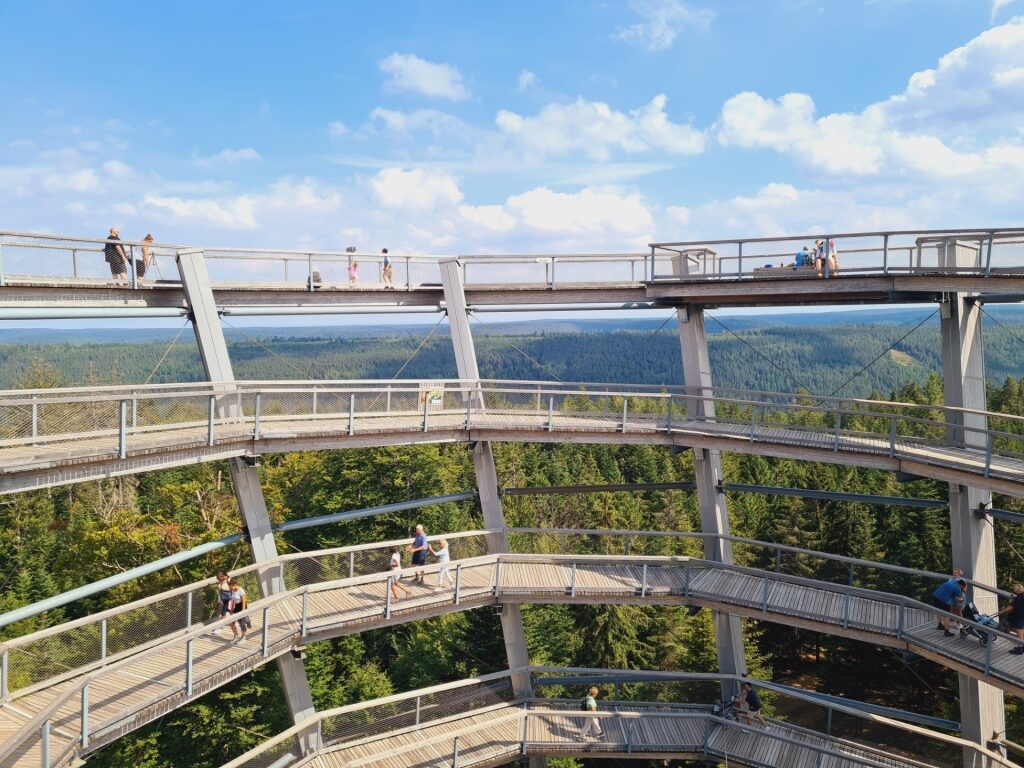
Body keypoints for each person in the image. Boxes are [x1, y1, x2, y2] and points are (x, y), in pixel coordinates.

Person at [997, 583, 1024, 654]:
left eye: (1014, 589)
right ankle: (1021, 647)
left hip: (1021, 617)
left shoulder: (1019, 598)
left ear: (1017, 590)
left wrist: (1002, 611)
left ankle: (1020, 649)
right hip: (1022, 617)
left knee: (1019, 632)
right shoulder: (1021, 596)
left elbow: (1011, 607)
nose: (1013, 591)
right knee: (1021, 632)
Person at [226, 578, 248, 643]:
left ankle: (243, 637)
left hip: (241, 606)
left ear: (234, 584)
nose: (230, 588)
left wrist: (243, 611)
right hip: (235, 606)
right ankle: (236, 635)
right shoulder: (231, 590)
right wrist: (231, 610)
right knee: (231, 622)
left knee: (242, 623)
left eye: (231, 586)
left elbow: (244, 601)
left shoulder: (241, 591)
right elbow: (231, 600)